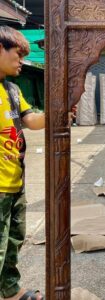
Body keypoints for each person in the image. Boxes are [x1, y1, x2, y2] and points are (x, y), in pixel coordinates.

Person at [0, 26, 45, 300]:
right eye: (18, 54)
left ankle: (11, 290)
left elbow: (30, 122)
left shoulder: (12, 91)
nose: (21, 61)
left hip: (15, 181)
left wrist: (59, 112)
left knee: (14, 240)